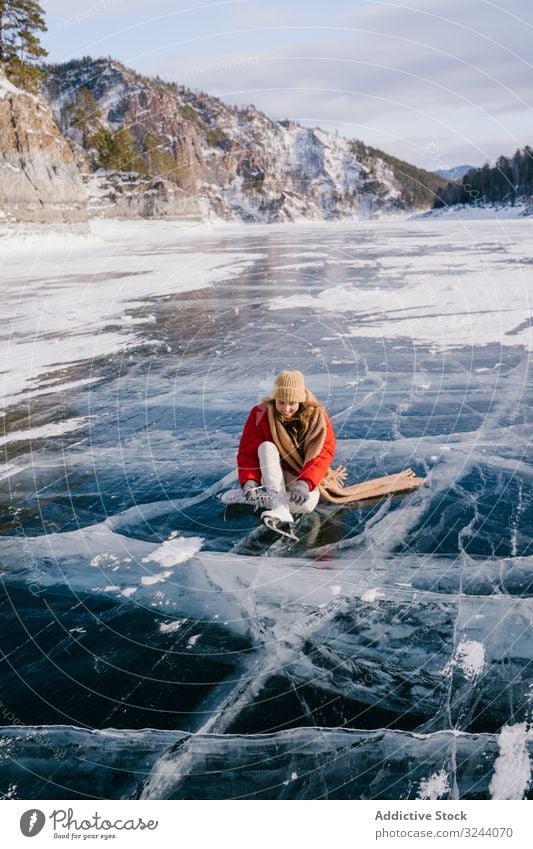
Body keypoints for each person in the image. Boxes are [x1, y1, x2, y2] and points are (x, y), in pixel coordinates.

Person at [237, 370, 335, 527]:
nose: (286, 408)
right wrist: (249, 480)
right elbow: (248, 452)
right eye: (281, 402)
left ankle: (262, 501)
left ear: (301, 401)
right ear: (274, 398)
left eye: (292, 403)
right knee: (266, 447)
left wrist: (304, 483)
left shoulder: (317, 417)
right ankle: (278, 506)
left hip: (299, 473)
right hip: (271, 475)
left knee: (308, 505)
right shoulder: (260, 413)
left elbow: (323, 454)